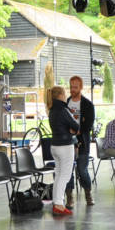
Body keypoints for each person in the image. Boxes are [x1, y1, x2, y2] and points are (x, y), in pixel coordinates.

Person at [64, 75, 95, 209]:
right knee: (68, 171)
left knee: (82, 170)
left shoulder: (88, 105)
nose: (72, 89)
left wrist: (77, 130)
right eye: (71, 87)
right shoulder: (67, 102)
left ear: (81, 88)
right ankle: (69, 197)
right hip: (68, 143)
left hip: (82, 142)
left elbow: (88, 125)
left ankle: (88, 194)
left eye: (75, 87)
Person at [49, 85, 79, 216]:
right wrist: (71, 129)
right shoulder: (63, 109)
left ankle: (57, 203)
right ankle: (59, 204)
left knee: (59, 175)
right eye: (64, 92)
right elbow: (76, 126)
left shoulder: (52, 110)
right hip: (65, 146)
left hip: (55, 146)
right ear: (61, 95)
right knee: (65, 176)